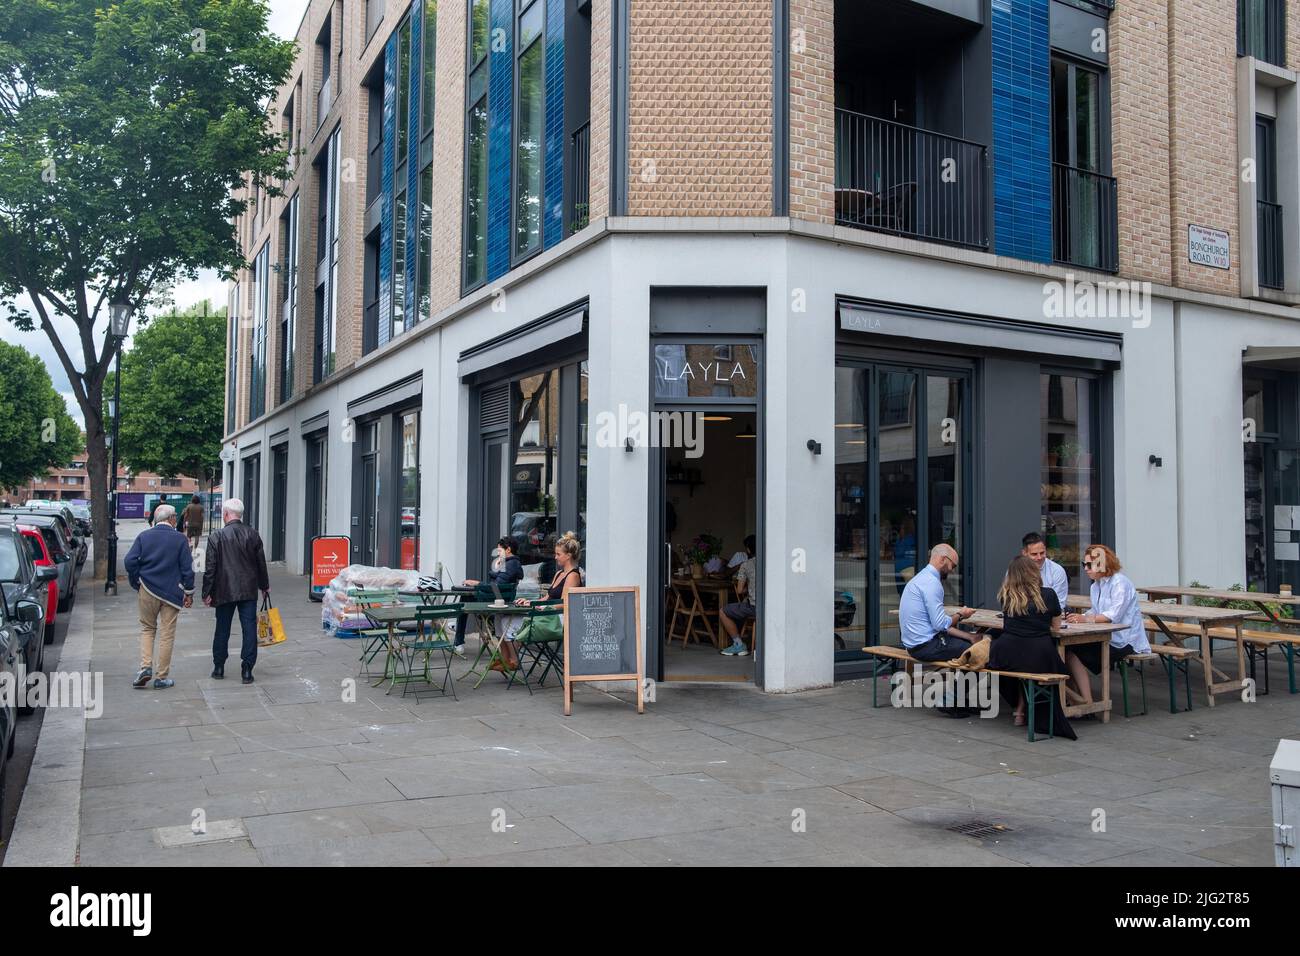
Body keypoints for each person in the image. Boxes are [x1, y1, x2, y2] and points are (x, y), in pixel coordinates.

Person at [988, 555, 1076, 739]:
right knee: (1054, 664)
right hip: (1038, 653)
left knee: (1015, 669)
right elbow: (1057, 627)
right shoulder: (1048, 594)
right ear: (1033, 572)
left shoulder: (1006, 595)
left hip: (1006, 653)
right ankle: (1077, 702)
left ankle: (1020, 709)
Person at [1063, 543, 1151, 705]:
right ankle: (1075, 699)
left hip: (1125, 640)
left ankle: (1085, 702)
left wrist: (1085, 619)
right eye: (1084, 564)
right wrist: (1078, 616)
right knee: (1065, 650)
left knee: (1071, 653)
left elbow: (1113, 616)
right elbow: (1095, 611)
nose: (1085, 568)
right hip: (1107, 637)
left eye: (1089, 565)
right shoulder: (1096, 586)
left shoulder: (1120, 583)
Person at [123, 504, 194, 689]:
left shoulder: (144, 537)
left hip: (147, 588)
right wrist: (189, 592)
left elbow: (129, 561)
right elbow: (187, 569)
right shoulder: (180, 539)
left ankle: (145, 667)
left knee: (147, 628)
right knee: (167, 634)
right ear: (171, 518)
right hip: (171, 592)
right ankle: (161, 677)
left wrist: (136, 581)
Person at [201, 498, 270, 684]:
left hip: (224, 589)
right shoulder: (253, 534)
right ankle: (247, 668)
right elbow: (260, 564)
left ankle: (219, 666)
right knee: (249, 628)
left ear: (225, 514)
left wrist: (206, 592)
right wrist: (264, 586)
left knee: (222, 629)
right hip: (248, 590)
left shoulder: (217, 536)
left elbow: (210, 568)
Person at [898, 544, 977, 662]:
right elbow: (940, 625)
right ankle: (964, 681)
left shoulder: (921, 577)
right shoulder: (932, 583)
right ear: (943, 559)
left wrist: (970, 636)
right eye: (953, 565)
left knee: (967, 642)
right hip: (925, 647)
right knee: (975, 651)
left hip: (914, 646)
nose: (952, 570)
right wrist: (961, 615)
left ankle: (961, 680)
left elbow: (938, 625)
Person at [452, 536, 524, 657]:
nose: (497, 553)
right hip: (497, 597)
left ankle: (458, 640)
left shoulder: (511, 564)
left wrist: (477, 584)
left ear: (508, 550)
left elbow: (497, 585)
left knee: (464, 600)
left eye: (499, 550)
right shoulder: (510, 563)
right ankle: (464, 632)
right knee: (466, 598)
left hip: (497, 600)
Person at [719, 535, 757, 656]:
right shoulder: (773, 562)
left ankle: (738, 644)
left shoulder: (746, 565)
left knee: (723, 611)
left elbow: (740, 590)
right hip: (771, 607)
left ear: (749, 550)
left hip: (754, 608)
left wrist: (750, 588)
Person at [1021, 532, 1069, 609]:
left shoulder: (1057, 571)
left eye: (1042, 553)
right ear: (1024, 553)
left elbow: (1059, 605)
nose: (1039, 557)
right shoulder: (1016, 571)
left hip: (1048, 617)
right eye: (1034, 554)